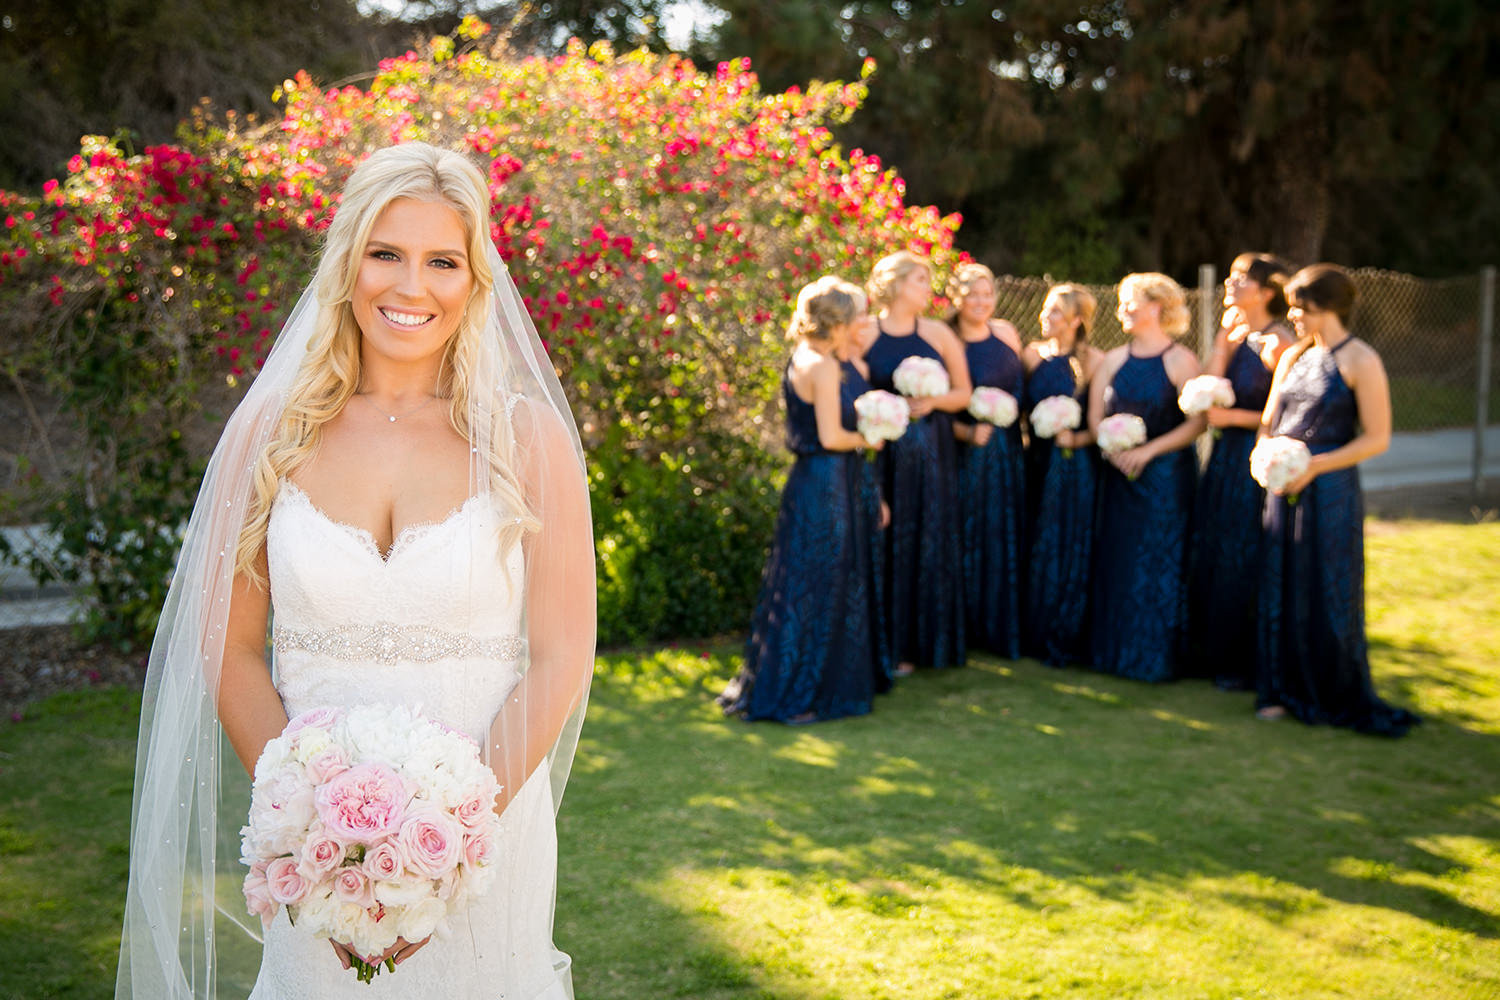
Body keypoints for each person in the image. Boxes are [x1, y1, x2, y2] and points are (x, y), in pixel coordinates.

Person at [114, 143, 595, 999]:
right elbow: (228, 650)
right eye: (387, 254)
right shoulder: (273, 433)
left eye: (442, 261)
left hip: (486, 840)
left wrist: (450, 837)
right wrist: (314, 833)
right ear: (348, 263)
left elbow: (561, 654)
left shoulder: (527, 441)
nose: (411, 287)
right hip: (313, 855)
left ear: (476, 279)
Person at [1255, 263, 1420, 736]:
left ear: (1325, 307)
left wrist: (1314, 467)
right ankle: (1279, 688)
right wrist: (1266, 457)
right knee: (1279, 580)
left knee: (1325, 584)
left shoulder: (1361, 360)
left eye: (1299, 308)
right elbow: (1270, 420)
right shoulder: (1293, 357)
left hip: (1329, 490)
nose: (1293, 318)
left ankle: (1328, 689)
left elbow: (1377, 438)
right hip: (1282, 485)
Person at [719, 276, 893, 722]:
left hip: (814, 480)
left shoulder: (805, 356)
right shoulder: (822, 365)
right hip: (827, 482)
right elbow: (832, 435)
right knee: (823, 582)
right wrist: (870, 438)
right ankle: (803, 692)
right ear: (838, 322)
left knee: (804, 582)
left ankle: (800, 682)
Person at [1184, 253, 1297, 689]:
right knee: (1213, 546)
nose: (1230, 282)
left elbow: (1287, 412)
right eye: (1229, 275)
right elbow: (1208, 396)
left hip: (1255, 457)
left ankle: (1242, 658)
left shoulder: (1279, 340)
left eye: (1241, 277)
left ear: (1267, 292)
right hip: (1223, 457)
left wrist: (1237, 421)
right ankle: (1207, 652)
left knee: (1244, 552)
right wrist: (1220, 348)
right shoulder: (1233, 335)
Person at [859, 251, 972, 673]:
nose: (929, 288)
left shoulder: (940, 335)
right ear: (896, 284)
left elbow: (963, 392)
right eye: (920, 280)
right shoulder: (866, 333)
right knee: (886, 540)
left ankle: (924, 645)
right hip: (881, 455)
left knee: (928, 539)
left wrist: (933, 400)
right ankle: (882, 643)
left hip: (931, 454)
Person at [1088, 272, 1204, 682]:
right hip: (1119, 477)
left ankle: (1157, 657)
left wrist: (1147, 451)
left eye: (1130, 302)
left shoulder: (1180, 360)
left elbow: (1197, 423)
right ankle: (1114, 653)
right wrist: (1112, 446)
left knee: (1160, 559)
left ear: (1156, 307)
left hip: (1165, 478)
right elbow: (1095, 417)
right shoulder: (1113, 360)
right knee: (1119, 558)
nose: (1122, 310)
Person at [1021, 283, 1104, 667]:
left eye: (1055, 312)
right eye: (1045, 309)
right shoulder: (1031, 356)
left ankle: (1065, 631)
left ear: (1076, 320)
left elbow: (1100, 426)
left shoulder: (1093, 361)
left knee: (1067, 542)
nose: (1045, 317)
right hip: (1034, 462)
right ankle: (1031, 629)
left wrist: (1076, 439)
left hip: (1073, 466)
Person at [948, 263, 1026, 659]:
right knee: (968, 532)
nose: (981, 302)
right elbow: (938, 409)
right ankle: (965, 627)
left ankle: (1001, 627)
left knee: (1004, 532)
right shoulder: (947, 340)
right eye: (972, 294)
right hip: (969, 453)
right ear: (956, 297)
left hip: (1009, 453)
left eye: (987, 294)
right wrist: (964, 433)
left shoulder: (1007, 333)